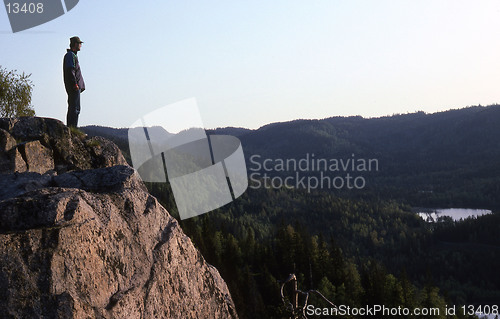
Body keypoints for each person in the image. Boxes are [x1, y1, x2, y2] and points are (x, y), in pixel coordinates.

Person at [63, 36, 85, 127]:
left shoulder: (72, 55)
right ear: (75, 44)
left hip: (75, 87)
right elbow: (70, 70)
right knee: (74, 108)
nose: (81, 45)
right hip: (74, 87)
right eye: (80, 44)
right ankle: (72, 129)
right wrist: (75, 84)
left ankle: (72, 128)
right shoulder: (70, 55)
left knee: (75, 108)